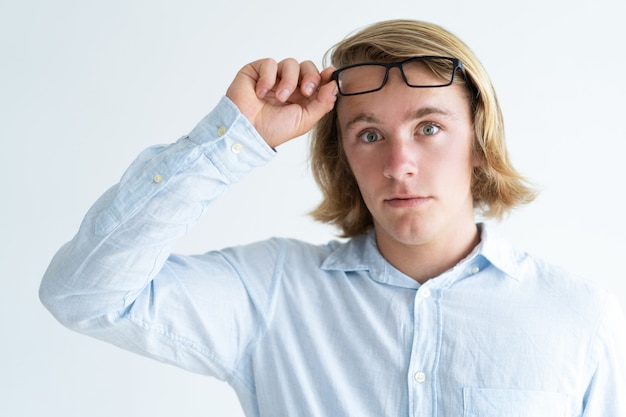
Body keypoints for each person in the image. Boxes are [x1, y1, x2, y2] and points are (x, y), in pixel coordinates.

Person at [40, 19, 625, 416]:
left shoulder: (575, 314)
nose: (399, 164)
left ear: (479, 139)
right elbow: (85, 296)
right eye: (369, 134)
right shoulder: (273, 292)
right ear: (342, 155)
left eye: (429, 128)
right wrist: (232, 141)